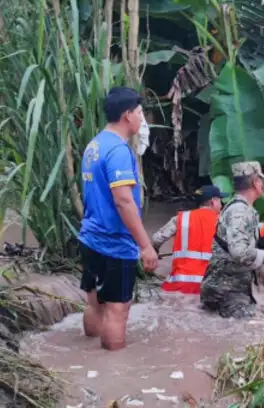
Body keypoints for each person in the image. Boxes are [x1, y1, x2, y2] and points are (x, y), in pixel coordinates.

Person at [77, 87, 158, 351]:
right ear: (127, 115)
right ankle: (112, 365)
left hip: (90, 236)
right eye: (139, 113)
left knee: (94, 302)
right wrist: (145, 246)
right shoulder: (119, 152)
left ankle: (90, 357)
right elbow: (123, 201)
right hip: (114, 243)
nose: (141, 118)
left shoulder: (95, 145)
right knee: (117, 308)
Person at [200, 161, 264, 319]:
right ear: (256, 183)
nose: (262, 185)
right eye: (261, 181)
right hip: (227, 293)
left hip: (230, 290)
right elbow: (239, 253)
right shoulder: (239, 212)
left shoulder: (241, 209)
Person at [151, 185, 229, 294]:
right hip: (209, 287)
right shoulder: (224, 222)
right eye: (220, 201)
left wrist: (155, 251)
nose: (221, 205)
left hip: (178, 285)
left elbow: (156, 239)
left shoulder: (181, 219)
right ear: (213, 201)